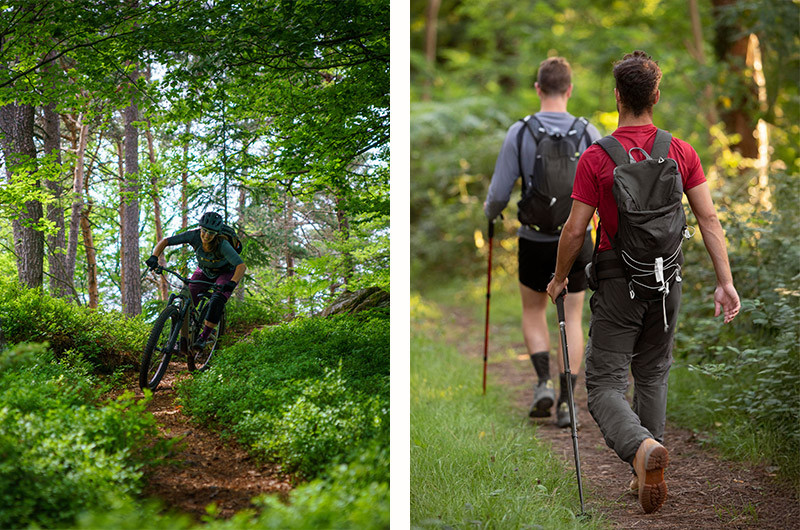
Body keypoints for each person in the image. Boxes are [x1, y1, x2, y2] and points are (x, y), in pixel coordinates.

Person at [546, 51, 740, 514]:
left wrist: (558, 279)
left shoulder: (596, 158)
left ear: (618, 96)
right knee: (652, 373)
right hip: (666, 282)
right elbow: (708, 219)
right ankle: (647, 466)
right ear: (655, 95)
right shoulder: (680, 150)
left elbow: (575, 230)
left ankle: (640, 452)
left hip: (617, 283)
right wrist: (724, 282)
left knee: (604, 385)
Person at [484, 56, 601, 427]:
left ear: (538, 89)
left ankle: (542, 384)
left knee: (534, 311)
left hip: (534, 239)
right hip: (578, 238)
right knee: (573, 315)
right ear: (569, 90)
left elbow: (499, 193)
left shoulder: (520, 132)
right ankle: (568, 404)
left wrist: (490, 214)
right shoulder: (588, 133)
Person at [145, 211, 246, 350]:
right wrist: (154, 257)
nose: (206, 236)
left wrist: (232, 282)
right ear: (200, 228)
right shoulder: (193, 235)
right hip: (204, 270)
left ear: (216, 234)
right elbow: (166, 241)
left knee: (217, 300)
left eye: (211, 233)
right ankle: (181, 338)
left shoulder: (222, 245)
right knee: (186, 301)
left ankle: (203, 337)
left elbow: (241, 266)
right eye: (204, 231)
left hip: (225, 273)